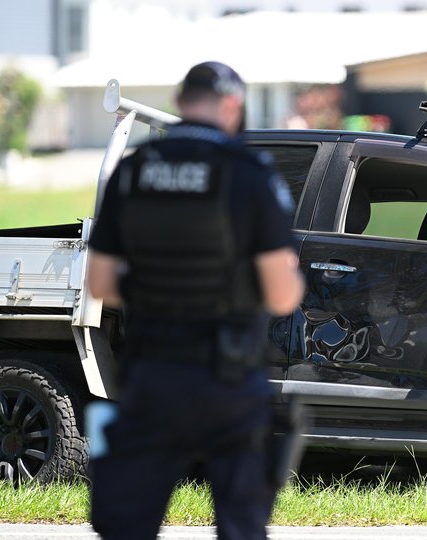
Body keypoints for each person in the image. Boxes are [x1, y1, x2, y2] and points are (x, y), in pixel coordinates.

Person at [85, 61, 305, 540]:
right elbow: (283, 295)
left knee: (126, 526)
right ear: (232, 106)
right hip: (227, 382)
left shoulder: (134, 170)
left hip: (151, 377)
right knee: (241, 527)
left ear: (181, 103)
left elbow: (99, 283)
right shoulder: (249, 174)